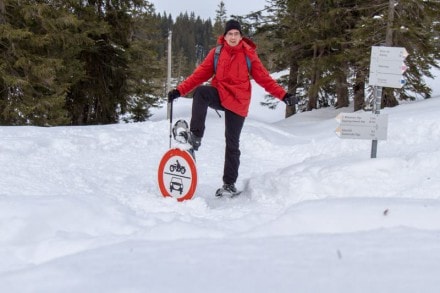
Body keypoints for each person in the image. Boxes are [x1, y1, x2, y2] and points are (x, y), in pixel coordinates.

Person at [168, 19, 297, 196]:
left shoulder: (248, 55)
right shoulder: (217, 53)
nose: (233, 37)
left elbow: (264, 79)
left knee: (232, 142)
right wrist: (179, 91)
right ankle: (195, 136)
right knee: (201, 92)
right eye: (230, 34)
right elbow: (198, 75)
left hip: (238, 102)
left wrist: (283, 95)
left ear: (241, 36)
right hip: (221, 94)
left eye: (237, 34)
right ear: (225, 36)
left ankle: (229, 184)